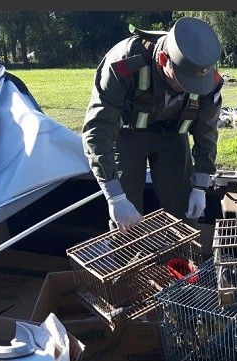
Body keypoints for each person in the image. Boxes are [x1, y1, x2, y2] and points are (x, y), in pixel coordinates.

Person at [82, 16, 223, 233]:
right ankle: (129, 263)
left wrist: (201, 185)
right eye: (181, 81)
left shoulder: (205, 77)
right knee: (126, 216)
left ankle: (182, 264)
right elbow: (97, 132)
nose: (187, 89)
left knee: (184, 207)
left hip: (173, 136)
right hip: (127, 136)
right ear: (164, 58)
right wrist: (115, 197)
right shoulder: (123, 63)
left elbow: (207, 131)